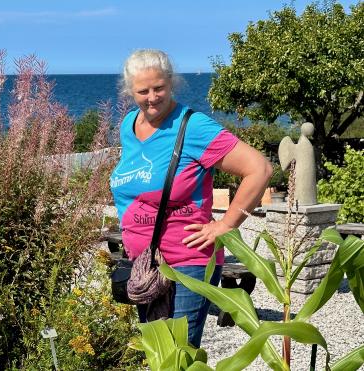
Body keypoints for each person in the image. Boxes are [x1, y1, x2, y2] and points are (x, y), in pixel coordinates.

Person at [110, 49, 272, 348]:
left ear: (171, 83)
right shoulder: (129, 126)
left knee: (179, 354)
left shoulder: (192, 127)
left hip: (187, 261)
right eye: (142, 91)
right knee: (158, 353)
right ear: (129, 91)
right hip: (146, 263)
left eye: (158, 88)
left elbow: (259, 169)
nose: (152, 97)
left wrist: (226, 224)